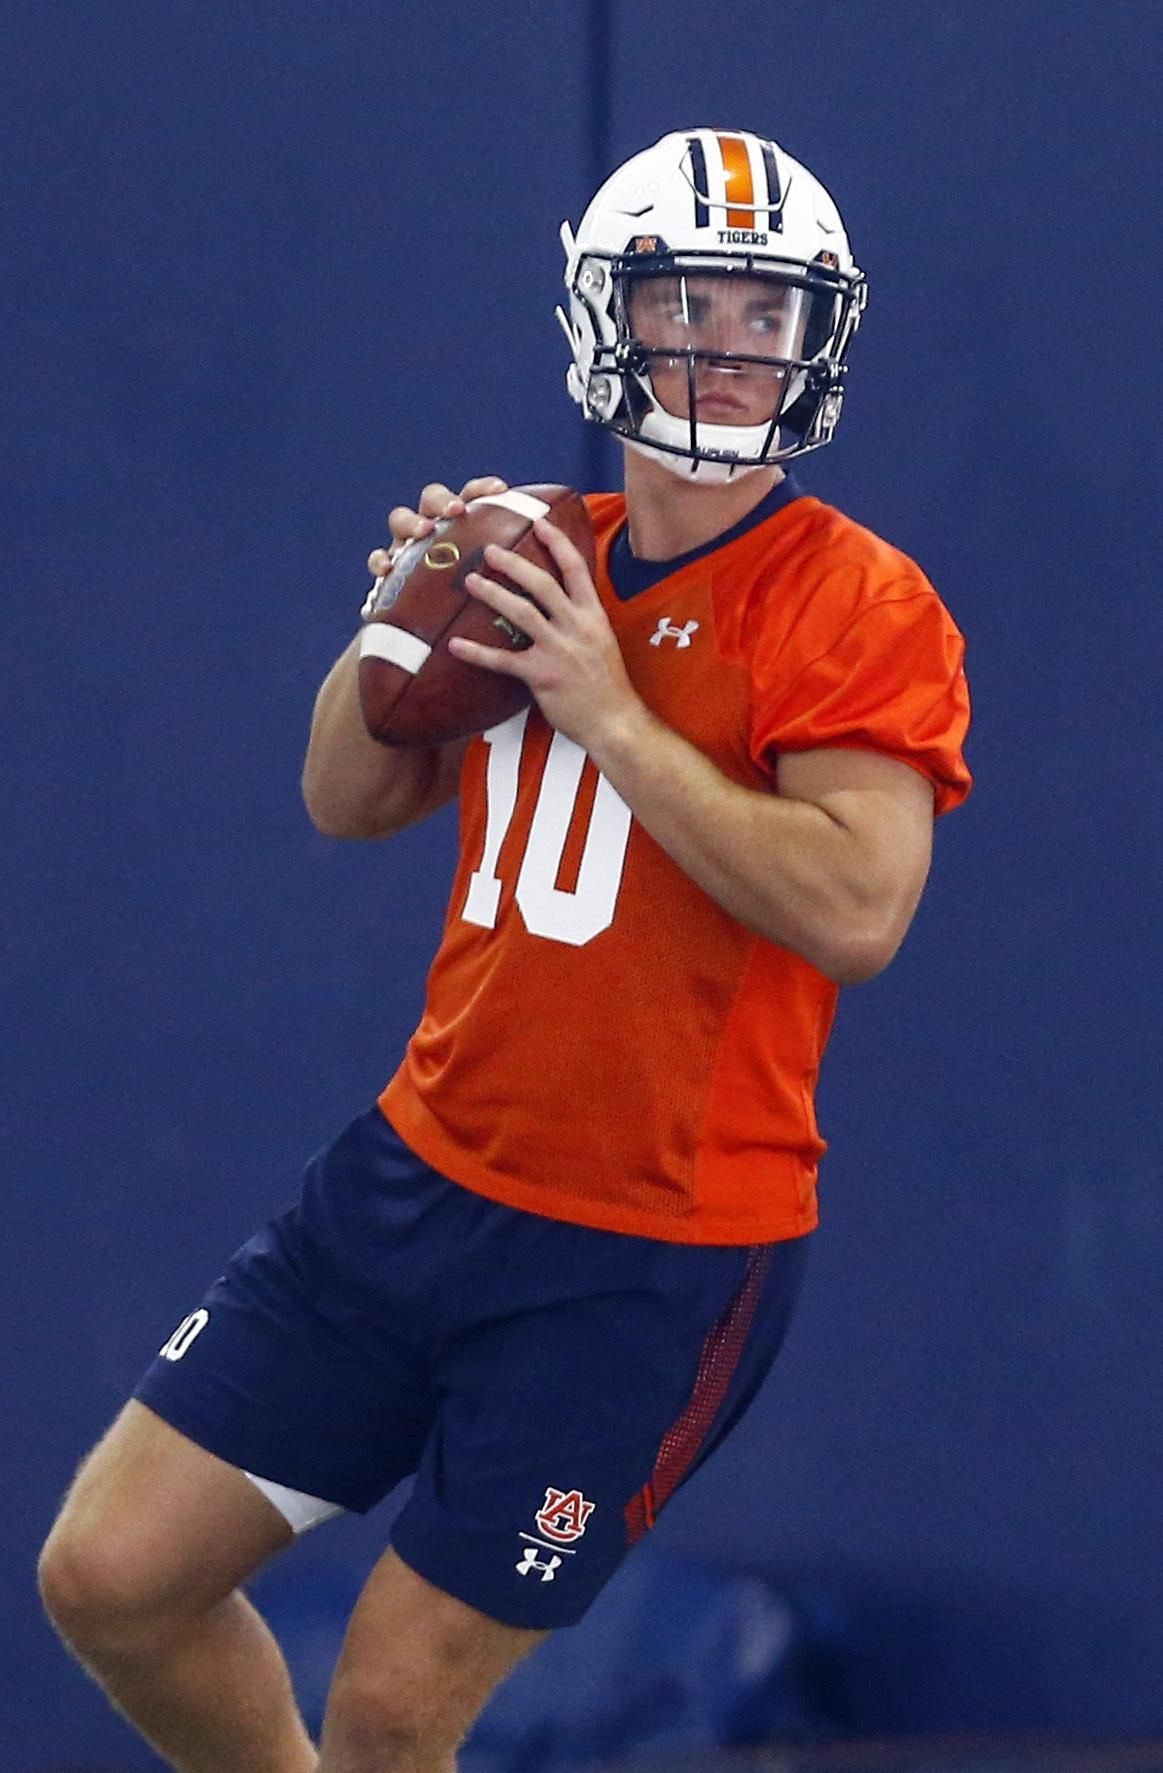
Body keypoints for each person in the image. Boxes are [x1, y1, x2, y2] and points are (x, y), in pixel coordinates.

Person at [39, 128, 971, 1773]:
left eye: (769, 314)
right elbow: (345, 796)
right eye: (696, 301)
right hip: (416, 1175)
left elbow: (854, 908)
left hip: (642, 1249)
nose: (733, 346)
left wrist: (608, 710)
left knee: (397, 1702)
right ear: (611, 312)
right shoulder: (530, 541)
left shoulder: (856, 597)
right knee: (110, 1576)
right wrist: (395, 617)